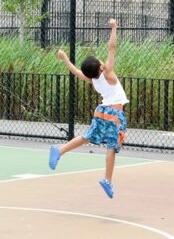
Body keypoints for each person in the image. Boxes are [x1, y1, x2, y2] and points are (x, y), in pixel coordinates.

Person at [50, 18, 128, 198]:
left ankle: (60, 150)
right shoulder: (108, 73)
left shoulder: (93, 79)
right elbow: (112, 48)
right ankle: (107, 180)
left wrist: (64, 59)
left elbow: (77, 72)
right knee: (111, 147)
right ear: (101, 66)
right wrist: (114, 28)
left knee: (87, 137)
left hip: (101, 112)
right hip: (115, 113)